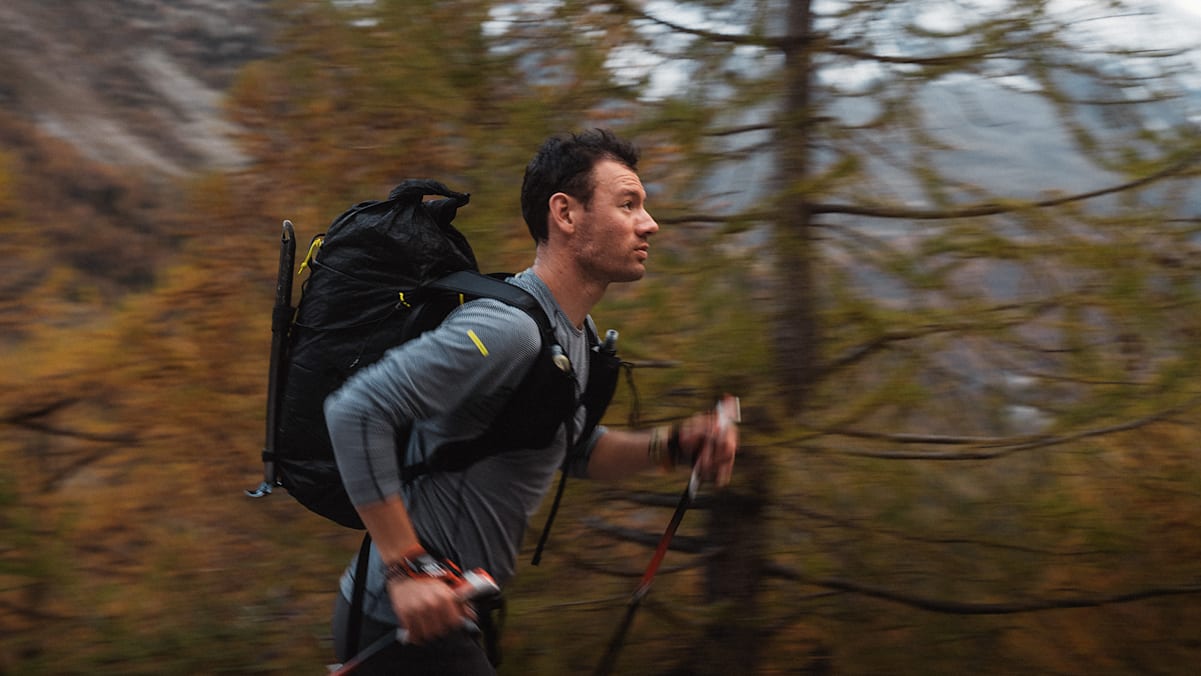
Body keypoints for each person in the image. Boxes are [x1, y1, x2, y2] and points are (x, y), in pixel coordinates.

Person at [323, 128, 740, 674]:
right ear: (565, 214)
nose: (649, 223)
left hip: (450, 615)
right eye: (628, 204)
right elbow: (356, 409)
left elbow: (574, 449)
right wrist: (407, 569)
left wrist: (675, 445)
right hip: (398, 622)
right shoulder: (508, 331)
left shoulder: (575, 335)